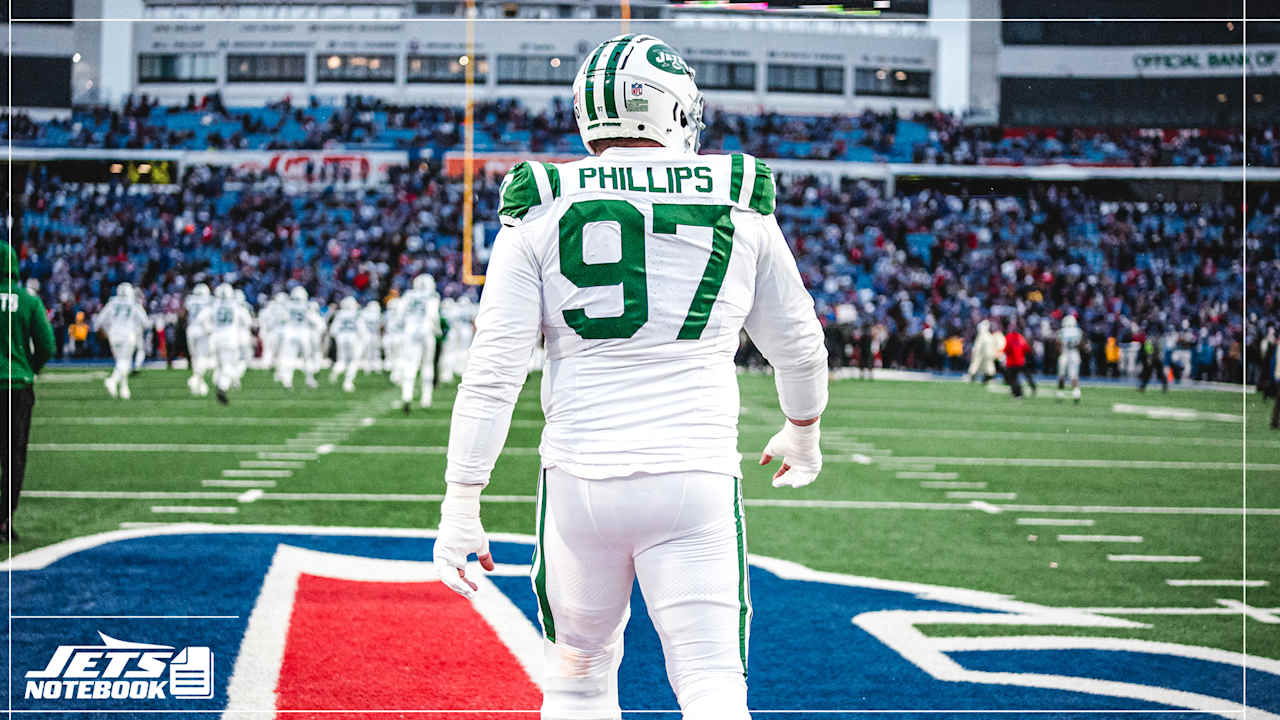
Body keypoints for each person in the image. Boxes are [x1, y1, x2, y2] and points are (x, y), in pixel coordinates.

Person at [432, 34, 828, 720]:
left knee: (578, 677)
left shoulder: (542, 200)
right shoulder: (737, 195)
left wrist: (461, 503)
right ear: (672, 107)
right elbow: (797, 344)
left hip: (580, 480)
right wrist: (803, 430)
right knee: (710, 680)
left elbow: (493, 373)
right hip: (694, 473)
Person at [1, 242, 55, 541]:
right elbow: (47, 345)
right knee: (14, 455)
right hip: (17, 386)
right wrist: (29, 367)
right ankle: (4, 519)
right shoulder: (28, 300)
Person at [396, 274, 442, 412]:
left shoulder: (408, 295)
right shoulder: (432, 295)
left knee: (410, 364)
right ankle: (426, 400)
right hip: (426, 331)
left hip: (410, 331)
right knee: (427, 365)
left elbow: (399, 316)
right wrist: (438, 330)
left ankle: (407, 395)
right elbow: (433, 315)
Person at [95, 283, 149, 400]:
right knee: (125, 362)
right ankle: (112, 381)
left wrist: (108, 331)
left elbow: (99, 321)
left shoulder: (112, 303)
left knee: (120, 362)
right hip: (127, 335)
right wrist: (136, 328)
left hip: (113, 335)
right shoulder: (134, 304)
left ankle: (124, 388)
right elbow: (145, 322)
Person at [328, 296, 366, 392]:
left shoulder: (339, 314)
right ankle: (348, 382)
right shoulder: (356, 314)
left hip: (341, 338)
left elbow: (333, 330)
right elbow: (361, 329)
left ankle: (336, 371)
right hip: (353, 338)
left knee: (342, 360)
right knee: (354, 361)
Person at [185, 283, 214, 396]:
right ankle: (195, 379)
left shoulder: (190, 300)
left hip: (191, 330)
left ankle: (199, 384)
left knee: (195, 358)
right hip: (202, 331)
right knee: (202, 357)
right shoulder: (209, 301)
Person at [1002, 322, 1036, 398]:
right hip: (1021, 361)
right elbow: (1026, 349)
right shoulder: (1020, 337)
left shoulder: (1008, 337)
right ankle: (1033, 387)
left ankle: (1018, 393)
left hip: (1011, 362)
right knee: (1027, 375)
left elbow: (1006, 349)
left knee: (1013, 379)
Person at [1056, 315, 1083, 403]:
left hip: (1065, 353)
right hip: (1074, 354)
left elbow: (1059, 343)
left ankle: (1060, 393)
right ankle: (1076, 393)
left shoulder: (1062, 331)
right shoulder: (1078, 331)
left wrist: (1060, 352)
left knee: (1061, 375)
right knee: (1074, 376)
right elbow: (1081, 344)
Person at [964, 319, 999, 383]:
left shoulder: (982, 336)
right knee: (988, 367)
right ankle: (988, 378)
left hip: (982, 354)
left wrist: (974, 353)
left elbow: (978, 347)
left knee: (976, 365)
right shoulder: (989, 336)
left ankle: (973, 376)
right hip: (988, 354)